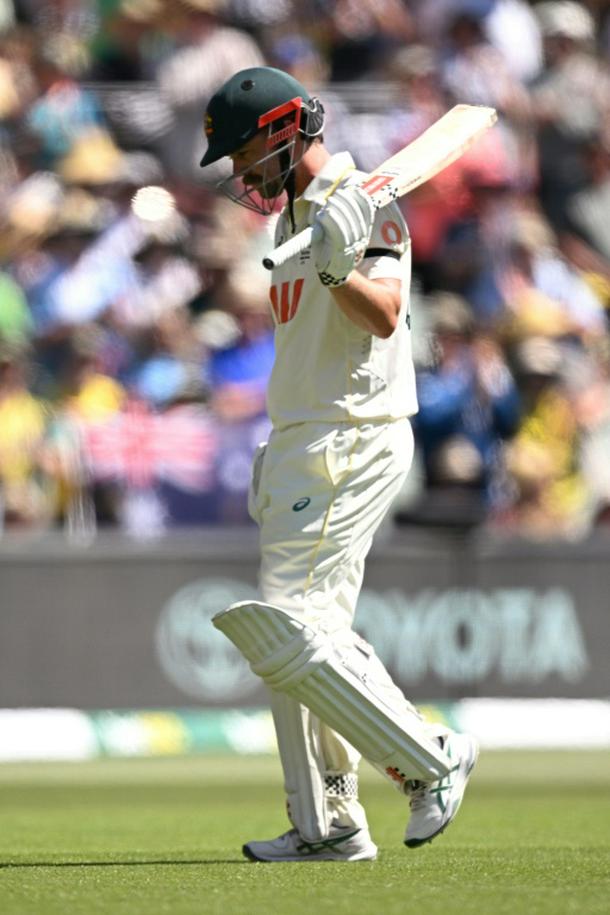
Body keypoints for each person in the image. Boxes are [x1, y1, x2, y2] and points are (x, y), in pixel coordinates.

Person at [200, 66, 478, 862]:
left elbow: (384, 316)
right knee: (293, 644)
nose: (240, 172)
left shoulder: (367, 203)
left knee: (290, 628)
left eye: (243, 153)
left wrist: (335, 268)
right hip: (301, 439)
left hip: (350, 434)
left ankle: (430, 757)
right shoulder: (294, 217)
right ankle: (328, 822)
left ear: (284, 132)